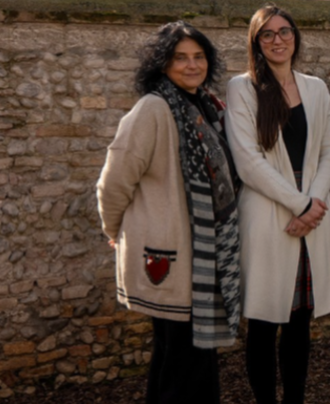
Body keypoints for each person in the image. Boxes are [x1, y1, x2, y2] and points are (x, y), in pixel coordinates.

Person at [97, 21, 241, 404]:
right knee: (182, 358)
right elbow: (113, 182)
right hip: (170, 255)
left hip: (201, 255)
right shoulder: (153, 108)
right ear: (162, 64)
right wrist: (116, 231)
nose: (192, 65)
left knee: (182, 355)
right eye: (181, 58)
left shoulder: (205, 107)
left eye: (199, 57)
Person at [224, 5, 330, 404]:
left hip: (311, 217)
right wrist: (300, 204)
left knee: (298, 325)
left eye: (284, 31)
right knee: (262, 324)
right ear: (256, 42)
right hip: (268, 217)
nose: (278, 40)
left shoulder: (315, 87)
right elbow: (247, 161)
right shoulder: (242, 87)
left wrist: (315, 204)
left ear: (296, 36)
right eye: (267, 34)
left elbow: (329, 151)